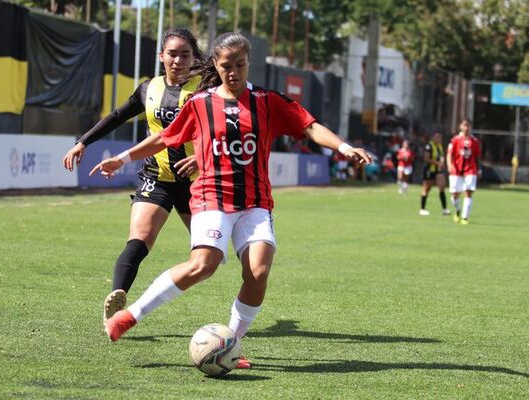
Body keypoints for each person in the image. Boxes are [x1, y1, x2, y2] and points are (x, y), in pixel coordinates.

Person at [89, 32, 371, 369]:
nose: (234, 72)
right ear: (216, 67)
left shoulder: (268, 101)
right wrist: (121, 159)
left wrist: (343, 147)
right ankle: (128, 317)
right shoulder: (200, 103)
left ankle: (230, 347)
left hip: (255, 203)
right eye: (226, 66)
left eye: (240, 64)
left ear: (248, 62)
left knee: (258, 271)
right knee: (203, 265)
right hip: (212, 198)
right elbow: (163, 138)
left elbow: (309, 127)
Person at [62, 28, 204, 324]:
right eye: (172, 53)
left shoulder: (207, 89)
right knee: (140, 237)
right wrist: (82, 142)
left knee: (207, 256)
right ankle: (117, 298)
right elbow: (116, 116)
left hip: (197, 183)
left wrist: (202, 156)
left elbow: (224, 130)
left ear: (194, 57)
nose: (178, 60)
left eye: (185, 54)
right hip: (156, 176)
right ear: (161, 56)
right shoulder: (148, 88)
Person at [447, 118, 481, 224]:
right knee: (454, 194)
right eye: (464, 125)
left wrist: (479, 170)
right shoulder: (455, 140)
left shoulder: (474, 141)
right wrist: (450, 166)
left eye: (468, 125)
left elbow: (477, 157)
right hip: (456, 169)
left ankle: (465, 217)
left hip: (470, 169)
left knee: (468, 192)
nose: (466, 128)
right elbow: (449, 154)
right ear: (460, 126)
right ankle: (457, 210)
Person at [419, 132, 450, 216]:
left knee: (442, 187)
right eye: (436, 137)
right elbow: (426, 158)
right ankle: (422, 209)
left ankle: (444, 209)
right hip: (429, 170)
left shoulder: (440, 146)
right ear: (433, 137)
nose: (438, 139)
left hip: (438, 170)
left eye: (440, 137)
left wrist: (442, 161)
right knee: (427, 188)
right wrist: (437, 163)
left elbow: (442, 156)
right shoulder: (429, 146)